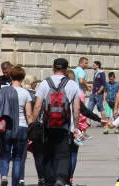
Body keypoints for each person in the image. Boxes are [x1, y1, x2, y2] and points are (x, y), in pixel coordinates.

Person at [31, 58, 82, 186]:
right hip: (64, 126)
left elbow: (37, 106)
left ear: (53, 68)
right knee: (64, 154)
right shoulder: (72, 84)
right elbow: (77, 108)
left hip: (48, 126)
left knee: (48, 154)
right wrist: (75, 126)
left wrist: (33, 123)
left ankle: (49, 180)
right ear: (66, 69)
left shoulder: (45, 83)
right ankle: (61, 178)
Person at [0, 66, 30, 186]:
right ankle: (15, 183)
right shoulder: (25, 93)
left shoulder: (3, 91)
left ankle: (4, 177)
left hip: (6, 126)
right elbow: (28, 114)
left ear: (11, 76)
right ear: (22, 78)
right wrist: (31, 129)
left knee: (4, 156)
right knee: (17, 158)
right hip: (21, 127)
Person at [89, 62, 107, 128]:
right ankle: (88, 122)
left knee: (100, 108)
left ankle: (104, 123)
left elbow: (103, 84)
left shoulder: (101, 73)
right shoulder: (95, 73)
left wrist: (98, 92)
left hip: (99, 94)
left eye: (94, 65)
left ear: (97, 66)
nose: (92, 66)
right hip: (93, 93)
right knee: (89, 108)